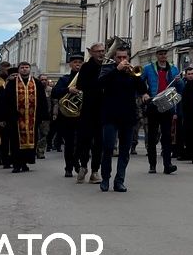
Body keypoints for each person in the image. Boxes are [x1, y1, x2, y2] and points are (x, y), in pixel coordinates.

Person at [97, 46, 148, 192]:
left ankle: (119, 180)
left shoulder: (132, 72)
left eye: (125, 57)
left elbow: (142, 88)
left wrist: (144, 92)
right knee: (108, 148)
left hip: (128, 116)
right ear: (115, 58)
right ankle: (105, 178)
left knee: (125, 151)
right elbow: (101, 83)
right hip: (110, 115)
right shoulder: (108, 70)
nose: (122, 60)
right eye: (119, 57)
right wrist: (117, 69)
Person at [0, 62, 49, 173]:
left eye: (26, 67)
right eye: (22, 68)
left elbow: (42, 100)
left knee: (31, 140)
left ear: (30, 69)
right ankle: (17, 164)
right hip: (16, 118)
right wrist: (8, 115)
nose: (24, 69)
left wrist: (43, 115)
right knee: (16, 141)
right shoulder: (12, 84)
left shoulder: (36, 83)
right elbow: (7, 100)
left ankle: (25, 163)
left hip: (33, 117)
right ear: (19, 70)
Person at [141, 48, 179, 174]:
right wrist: (144, 94)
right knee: (152, 136)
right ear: (156, 55)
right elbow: (140, 84)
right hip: (153, 104)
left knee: (167, 136)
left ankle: (167, 165)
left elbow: (179, 88)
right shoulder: (148, 68)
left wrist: (179, 81)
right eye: (160, 54)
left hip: (167, 105)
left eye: (164, 54)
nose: (163, 56)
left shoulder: (173, 68)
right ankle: (152, 164)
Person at [74, 43, 107, 184]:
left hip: (103, 109)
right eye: (98, 51)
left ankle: (95, 171)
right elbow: (81, 85)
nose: (101, 53)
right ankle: (83, 166)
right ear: (91, 53)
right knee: (84, 140)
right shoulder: (86, 67)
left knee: (99, 143)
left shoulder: (108, 66)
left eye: (103, 51)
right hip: (88, 109)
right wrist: (99, 80)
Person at [51, 54, 84, 177]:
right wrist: (68, 90)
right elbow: (54, 93)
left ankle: (77, 162)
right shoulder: (64, 79)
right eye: (75, 62)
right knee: (69, 143)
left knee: (80, 143)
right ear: (70, 64)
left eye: (80, 63)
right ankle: (69, 167)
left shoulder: (85, 80)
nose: (78, 65)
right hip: (67, 117)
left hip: (81, 116)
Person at [36, 75, 52, 159]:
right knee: (35, 133)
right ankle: (34, 150)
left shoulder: (50, 90)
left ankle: (41, 151)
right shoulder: (34, 89)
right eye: (42, 80)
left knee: (44, 133)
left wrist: (55, 113)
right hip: (35, 114)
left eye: (45, 80)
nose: (44, 81)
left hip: (46, 115)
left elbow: (55, 102)